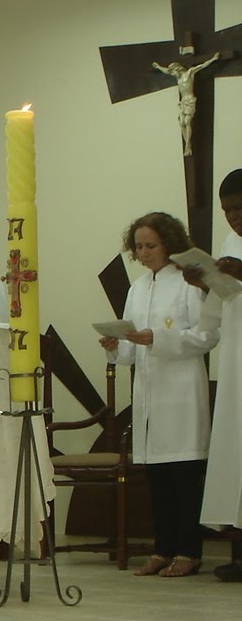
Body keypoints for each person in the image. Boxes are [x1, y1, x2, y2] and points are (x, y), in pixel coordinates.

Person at [99, 212, 218, 577]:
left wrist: (158, 338)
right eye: (138, 246)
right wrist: (115, 346)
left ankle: (189, 551)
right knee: (159, 479)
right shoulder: (137, 289)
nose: (144, 252)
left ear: (169, 243)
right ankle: (163, 548)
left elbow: (206, 336)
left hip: (181, 393)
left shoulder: (187, 283)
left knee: (184, 477)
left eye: (151, 245)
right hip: (149, 395)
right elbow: (131, 351)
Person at [185, 169, 242, 581]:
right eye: (227, 211)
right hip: (236, 357)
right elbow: (227, 300)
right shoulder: (229, 243)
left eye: (239, 208)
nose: (233, 217)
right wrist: (205, 282)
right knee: (236, 451)